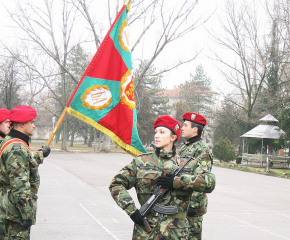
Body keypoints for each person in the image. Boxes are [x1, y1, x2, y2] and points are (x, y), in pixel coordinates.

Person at [109, 115, 215, 239]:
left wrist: (176, 182)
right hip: (146, 230)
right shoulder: (141, 162)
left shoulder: (188, 163)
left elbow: (210, 182)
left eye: (162, 132)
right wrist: (132, 210)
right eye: (156, 132)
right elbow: (116, 184)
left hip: (176, 231)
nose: (156, 136)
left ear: (173, 137)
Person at [0, 105, 50, 240]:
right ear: (22, 124)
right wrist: (27, 214)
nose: (34, 126)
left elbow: (23, 163)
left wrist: (41, 154)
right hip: (14, 213)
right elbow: (20, 186)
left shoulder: (10, 142)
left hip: (7, 208)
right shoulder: (17, 147)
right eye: (32, 122)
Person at [179, 112, 213, 240]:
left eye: (185, 125)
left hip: (193, 206)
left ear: (194, 129)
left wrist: (193, 205)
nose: (182, 128)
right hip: (183, 203)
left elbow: (202, 180)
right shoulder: (186, 147)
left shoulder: (201, 150)